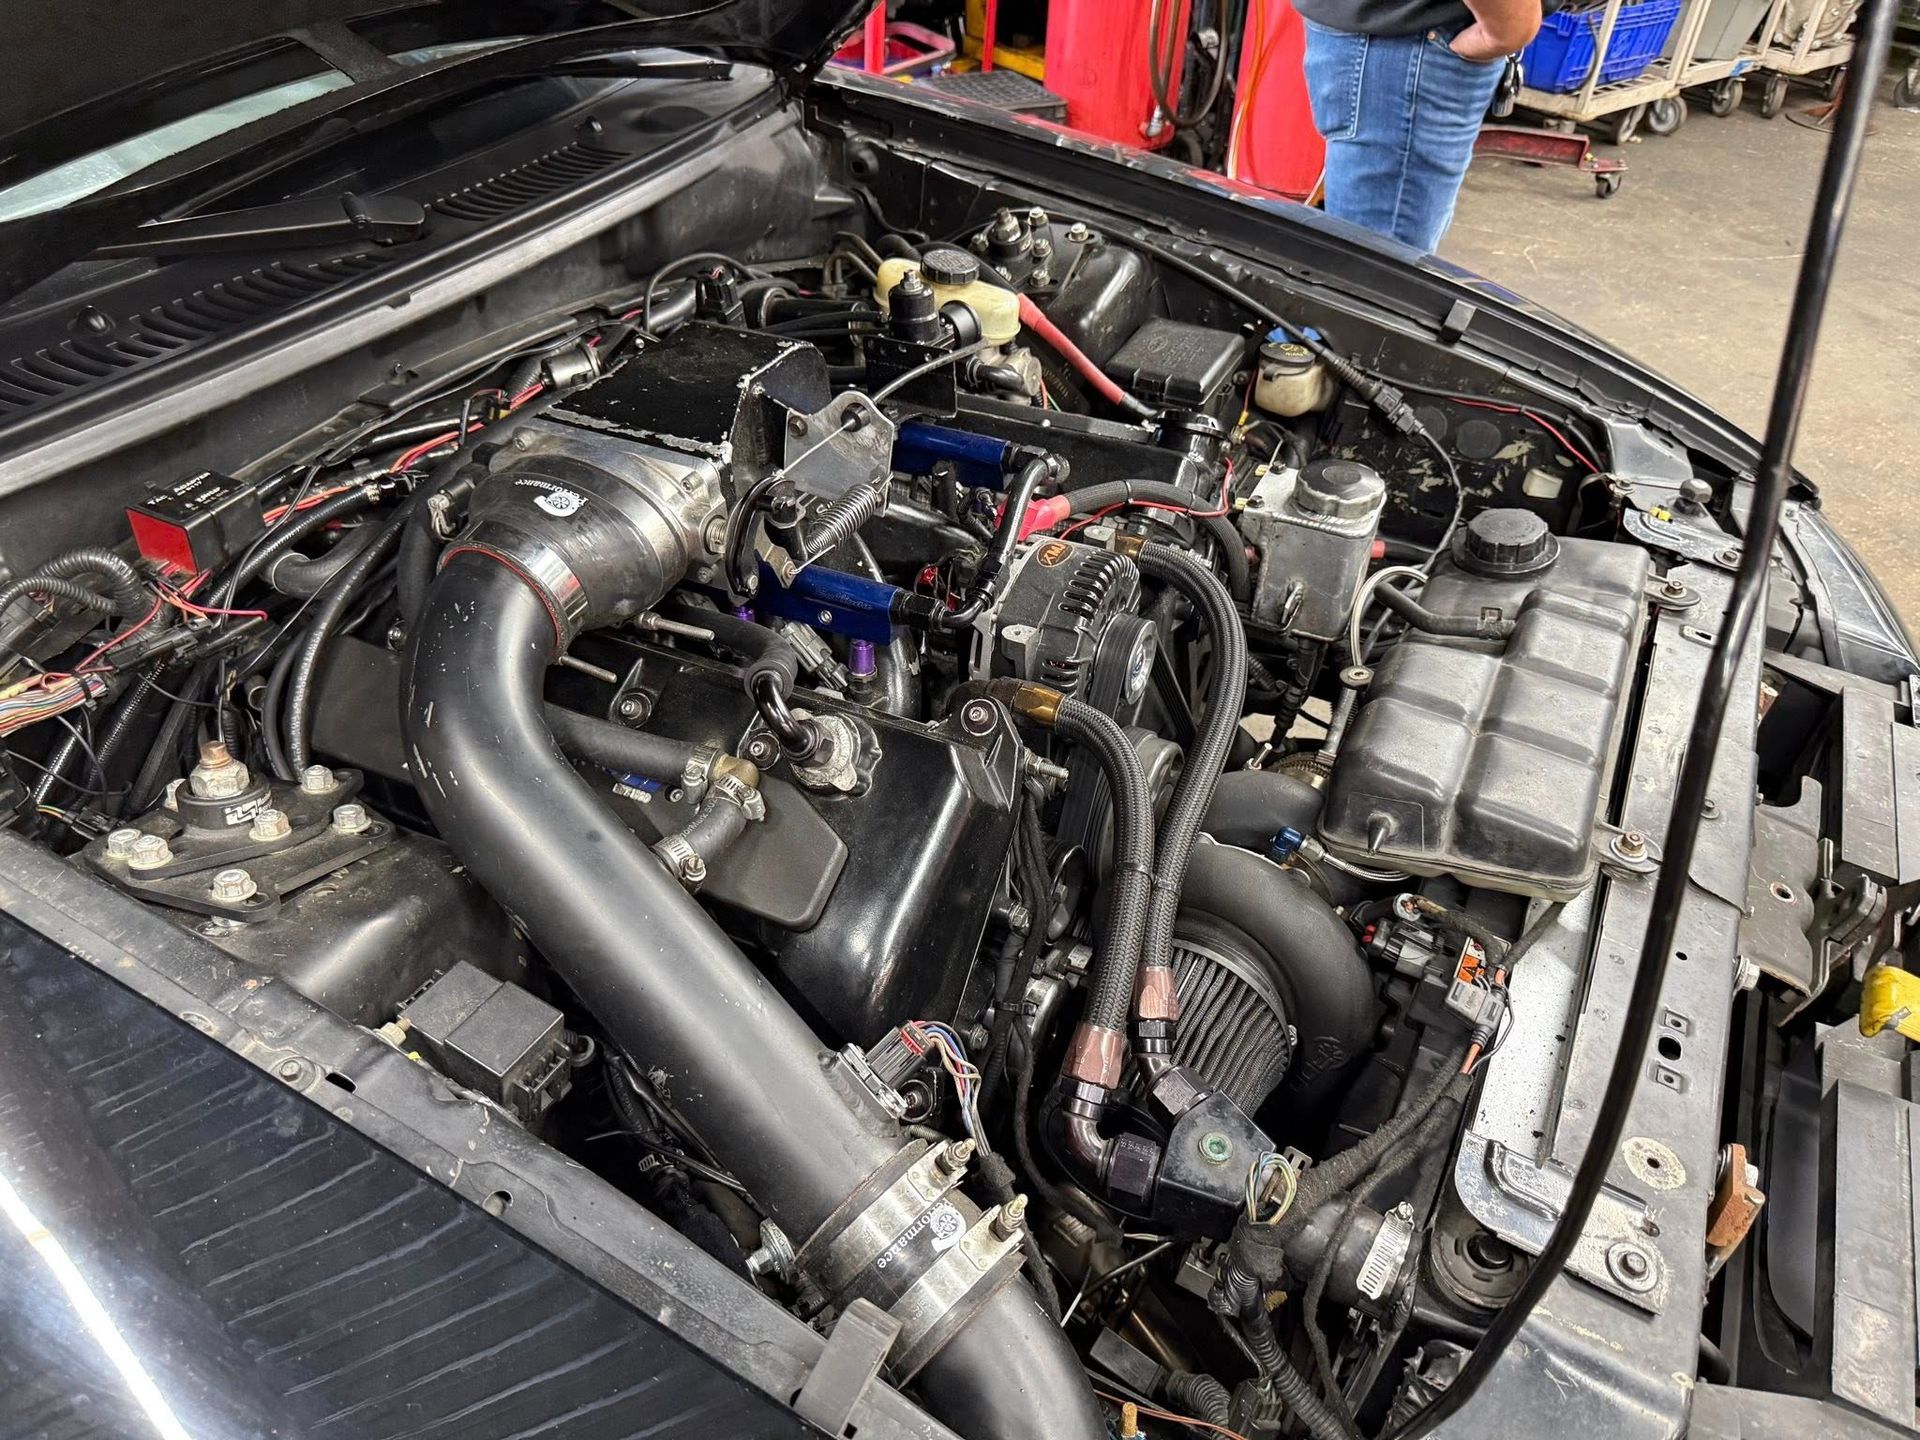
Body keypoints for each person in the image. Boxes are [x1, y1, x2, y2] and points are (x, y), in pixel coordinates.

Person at [1294, 0, 1544, 251]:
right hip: (1412, 45)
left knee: (1377, 254)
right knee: (1383, 266)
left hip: (1396, 40)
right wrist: (1510, 28)